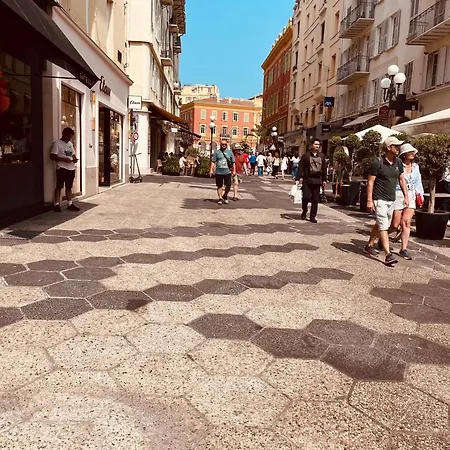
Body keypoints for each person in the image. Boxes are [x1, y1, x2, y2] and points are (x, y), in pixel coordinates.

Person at [364, 136, 409, 266]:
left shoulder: (398, 162)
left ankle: (369, 245)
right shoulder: (377, 162)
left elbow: (401, 179)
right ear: (389, 147)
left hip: (391, 199)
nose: (399, 148)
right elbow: (370, 182)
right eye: (396, 146)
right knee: (383, 225)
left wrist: (406, 196)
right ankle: (388, 255)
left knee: (381, 224)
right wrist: (369, 200)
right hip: (379, 199)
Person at [386, 143, 424, 260]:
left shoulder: (415, 167)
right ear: (404, 154)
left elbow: (418, 182)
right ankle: (383, 236)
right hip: (398, 195)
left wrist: (420, 194)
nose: (412, 153)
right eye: (409, 151)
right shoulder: (398, 165)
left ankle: (404, 249)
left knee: (406, 222)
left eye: (413, 152)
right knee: (395, 224)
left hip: (411, 195)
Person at [295, 138, 327, 223]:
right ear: (311, 145)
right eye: (315, 144)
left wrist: (324, 179)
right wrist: (297, 178)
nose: (317, 146)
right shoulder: (306, 156)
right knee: (306, 197)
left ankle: (313, 216)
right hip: (307, 180)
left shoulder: (322, 156)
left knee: (315, 200)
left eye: (318, 144)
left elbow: (324, 168)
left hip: (317, 180)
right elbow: (301, 168)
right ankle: (304, 211)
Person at [50, 127, 80, 212]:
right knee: (59, 186)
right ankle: (57, 204)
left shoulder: (70, 144)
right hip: (62, 168)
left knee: (69, 186)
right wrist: (63, 159)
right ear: (64, 135)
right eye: (68, 137)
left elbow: (73, 154)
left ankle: (70, 203)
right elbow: (52, 156)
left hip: (71, 168)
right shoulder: (57, 143)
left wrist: (74, 159)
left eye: (71, 137)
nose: (69, 139)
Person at [210, 139, 235, 205]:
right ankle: (220, 198)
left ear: (227, 145)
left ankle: (225, 195)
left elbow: (233, 162)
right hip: (219, 172)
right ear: (220, 145)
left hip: (227, 172)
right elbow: (213, 162)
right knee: (219, 186)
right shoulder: (217, 152)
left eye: (225, 144)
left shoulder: (230, 152)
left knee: (228, 185)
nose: (224, 145)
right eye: (222, 144)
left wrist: (234, 171)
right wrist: (211, 170)